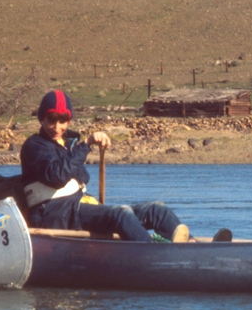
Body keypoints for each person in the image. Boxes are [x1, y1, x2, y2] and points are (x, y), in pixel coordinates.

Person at [20, 90, 210, 242]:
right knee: (121, 214)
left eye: (62, 121)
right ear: (42, 119)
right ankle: (156, 256)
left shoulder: (67, 144)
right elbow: (57, 176)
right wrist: (85, 145)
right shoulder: (34, 146)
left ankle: (192, 247)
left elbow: (81, 178)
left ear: (69, 121)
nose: (56, 127)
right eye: (51, 120)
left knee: (156, 209)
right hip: (54, 214)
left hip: (77, 207)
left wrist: (78, 149)